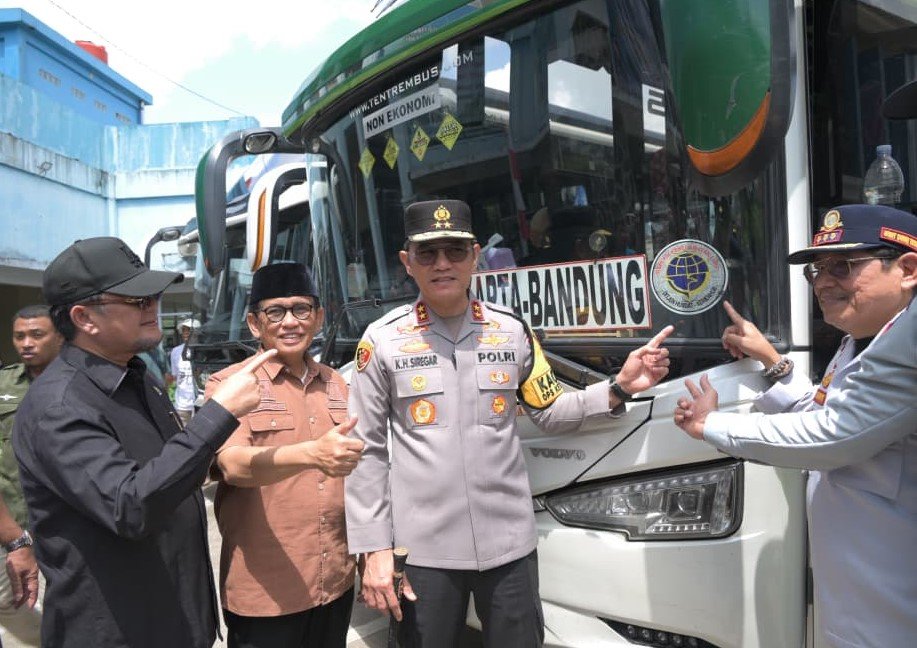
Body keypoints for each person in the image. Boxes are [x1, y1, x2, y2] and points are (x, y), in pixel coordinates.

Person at [346, 199, 674, 648]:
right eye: (427, 253)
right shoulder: (382, 341)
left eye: (455, 250)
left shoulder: (511, 331)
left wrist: (618, 387)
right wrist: (373, 549)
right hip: (424, 552)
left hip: (508, 548)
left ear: (475, 255)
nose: (443, 264)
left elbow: (551, 410)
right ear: (407, 262)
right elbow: (364, 451)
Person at [673, 204, 917, 647]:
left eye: (841, 266)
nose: (822, 282)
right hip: (866, 601)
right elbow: (824, 415)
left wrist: (712, 425)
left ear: (907, 268)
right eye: (817, 270)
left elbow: (836, 435)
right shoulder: (862, 341)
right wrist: (771, 360)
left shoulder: (910, 339)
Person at [12, 236, 274, 648]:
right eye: (137, 300)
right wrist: (219, 415)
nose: (153, 306)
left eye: (153, 295)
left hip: (177, 619)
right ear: (84, 317)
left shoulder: (136, 377)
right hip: (119, 631)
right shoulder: (59, 407)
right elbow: (130, 506)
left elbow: (173, 471)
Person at [205, 263, 364, 648]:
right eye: (275, 312)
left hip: (334, 582)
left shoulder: (337, 382)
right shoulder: (229, 384)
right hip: (265, 593)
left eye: (301, 309)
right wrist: (312, 454)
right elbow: (232, 465)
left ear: (318, 317)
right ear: (255, 324)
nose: (290, 322)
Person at [0, 306, 62, 646]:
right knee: (12, 605)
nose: (26, 343)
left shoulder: (80, 383)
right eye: (19, 336)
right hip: (11, 521)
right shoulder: (3, 383)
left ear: (60, 337)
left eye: (37, 335)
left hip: (66, 524)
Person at [169, 318, 200, 425]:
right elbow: (175, 376)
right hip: (182, 405)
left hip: (200, 404)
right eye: (184, 330)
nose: (186, 333)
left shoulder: (203, 350)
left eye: (189, 330)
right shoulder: (176, 352)